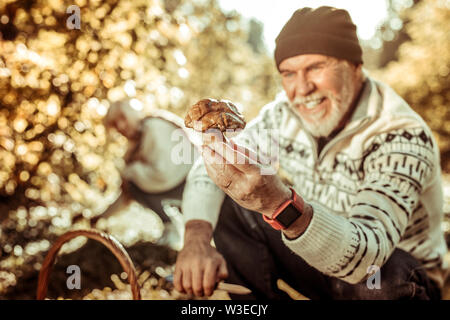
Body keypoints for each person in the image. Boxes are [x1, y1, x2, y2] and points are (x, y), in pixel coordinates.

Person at [174, 6, 448, 299]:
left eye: (316, 67)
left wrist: (281, 206)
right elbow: (212, 165)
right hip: (318, 262)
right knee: (229, 199)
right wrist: (196, 238)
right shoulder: (283, 115)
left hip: (386, 274)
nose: (302, 88)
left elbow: (370, 254)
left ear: (355, 66)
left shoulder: (401, 135)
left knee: (381, 282)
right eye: (289, 73)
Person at [101, 99, 197, 248]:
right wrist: (102, 217)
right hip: (179, 185)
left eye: (122, 118)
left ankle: (173, 229)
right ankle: (175, 229)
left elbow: (163, 174)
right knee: (132, 184)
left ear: (132, 114)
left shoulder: (153, 127)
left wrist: (132, 172)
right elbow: (127, 195)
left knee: (132, 180)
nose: (120, 126)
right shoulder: (135, 146)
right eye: (114, 124)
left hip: (192, 181)